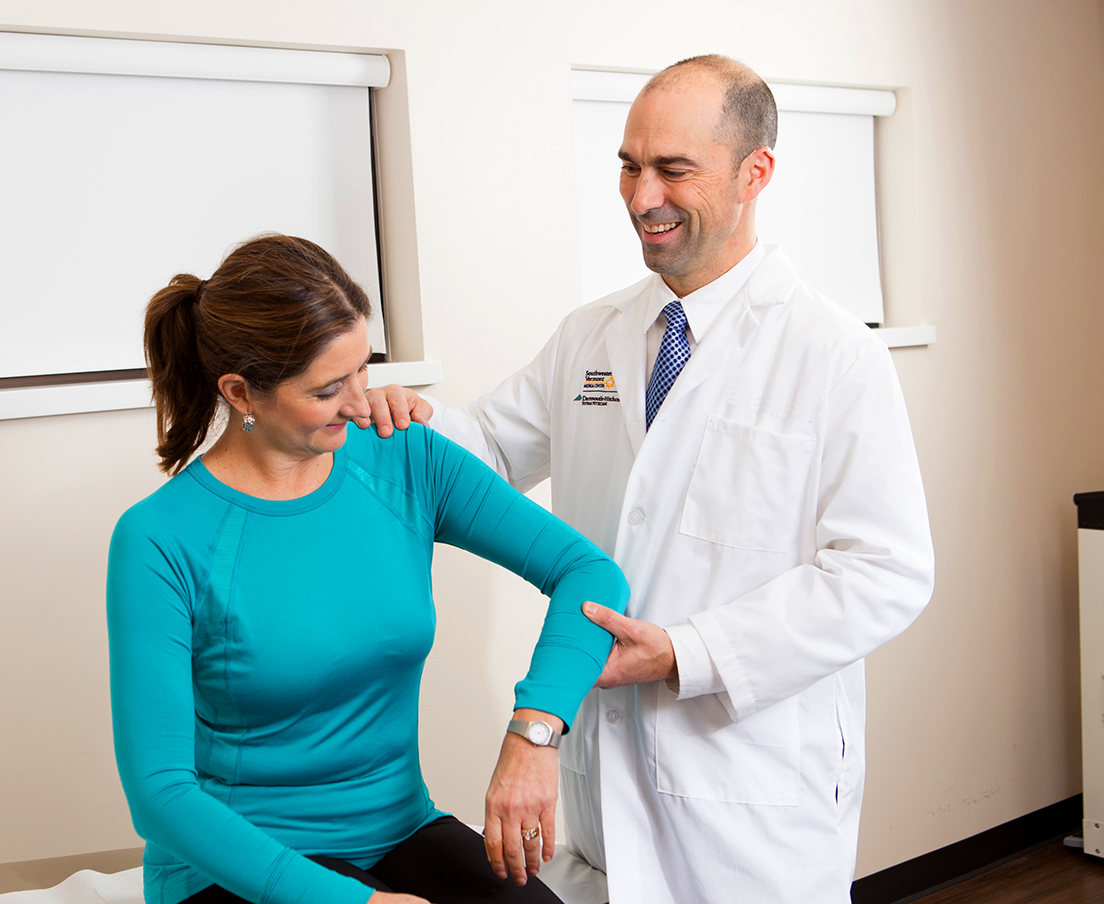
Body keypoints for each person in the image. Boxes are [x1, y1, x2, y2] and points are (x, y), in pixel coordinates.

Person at [365, 56, 935, 903]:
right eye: (629, 166)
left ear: (755, 173)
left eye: (673, 169)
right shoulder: (593, 335)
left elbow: (885, 573)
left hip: (749, 788)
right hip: (605, 775)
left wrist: (684, 653)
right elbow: (484, 451)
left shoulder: (833, 355)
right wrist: (403, 415)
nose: (640, 197)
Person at [106, 234, 630, 904]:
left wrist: (536, 728)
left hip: (398, 830)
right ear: (242, 393)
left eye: (364, 370)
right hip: (234, 861)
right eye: (329, 389)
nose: (362, 403)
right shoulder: (160, 539)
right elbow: (160, 795)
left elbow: (590, 574)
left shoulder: (404, 458)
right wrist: (354, 903)